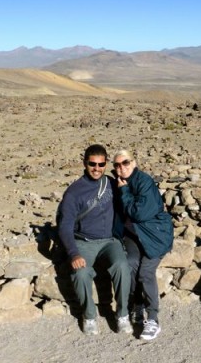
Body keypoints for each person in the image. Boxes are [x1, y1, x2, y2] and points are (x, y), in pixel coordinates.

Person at [58, 144, 132, 336]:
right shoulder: (74, 192)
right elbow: (65, 225)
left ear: (106, 164)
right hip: (84, 242)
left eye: (101, 164)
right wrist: (74, 253)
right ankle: (89, 316)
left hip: (109, 241)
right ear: (85, 163)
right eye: (92, 163)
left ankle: (122, 315)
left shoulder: (111, 183)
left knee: (122, 267)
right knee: (80, 273)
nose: (96, 168)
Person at [112, 149, 173, 341]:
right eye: (117, 165)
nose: (122, 167)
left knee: (146, 271)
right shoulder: (118, 182)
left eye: (126, 162)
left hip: (154, 236)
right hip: (133, 236)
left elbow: (139, 213)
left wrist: (124, 192)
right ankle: (136, 305)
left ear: (134, 162)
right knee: (129, 264)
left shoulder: (143, 182)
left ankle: (153, 318)